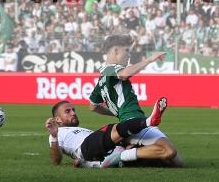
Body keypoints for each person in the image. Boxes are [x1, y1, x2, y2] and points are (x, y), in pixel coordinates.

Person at [88, 34, 183, 167]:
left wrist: (116, 113)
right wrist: (150, 59)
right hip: (135, 120)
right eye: (126, 51)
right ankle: (121, 155)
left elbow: (93, 106)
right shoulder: (111, 68)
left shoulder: (101, 79)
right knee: (169, 152)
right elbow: (125, 74)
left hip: (127, 124)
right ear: (115, 51)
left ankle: (130, 151)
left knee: (175, 162)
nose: (129, 55)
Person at [46, 99, 174, 168]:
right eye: (67, 111)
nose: (73, 113)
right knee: (114, 129)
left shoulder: (79, 130)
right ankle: (148, 121)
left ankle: (116, 158)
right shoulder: (59, 133)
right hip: (86, 147)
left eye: (73, 110)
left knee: (168, 156)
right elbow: (56, 161)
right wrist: (54, 136)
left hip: (99, 149)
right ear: (57, 119)